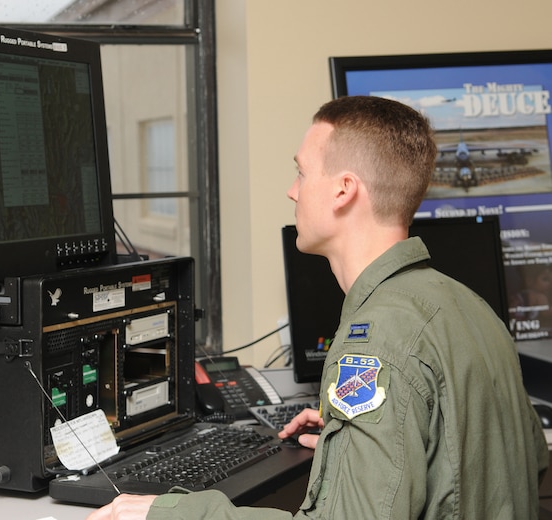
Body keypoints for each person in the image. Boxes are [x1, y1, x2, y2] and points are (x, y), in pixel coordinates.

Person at [87, 95, 549, 519]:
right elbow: (524, 464)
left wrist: (171, 513)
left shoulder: (378, 343)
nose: (292, 190)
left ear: (343, 190)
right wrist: (347, 434)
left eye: (303, 173)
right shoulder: (469, 305)